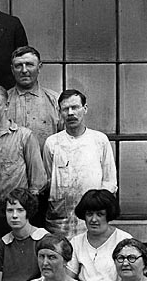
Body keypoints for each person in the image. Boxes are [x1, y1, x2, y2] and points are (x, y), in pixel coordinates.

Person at [0, 84, 48, 247]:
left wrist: (25, 213)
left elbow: (38, 182)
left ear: (6, 106)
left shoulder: (24, 137)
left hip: (16, 214)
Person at [43, 89, 118, 238]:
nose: (70, 113)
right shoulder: (52, 143)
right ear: (60, 112)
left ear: (85, 109)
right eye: (65, 109)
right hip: (61, 221)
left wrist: (98, 208)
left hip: (91, 220)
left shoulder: (99, 140)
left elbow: (109, 182)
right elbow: (49, 181)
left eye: (75, 107)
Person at [67, 189, 132, 281]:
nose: (93, 219)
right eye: (89, 214)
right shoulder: (77, 242)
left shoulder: (124, 240)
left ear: (108, 215)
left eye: (100, 214)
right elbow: (68, 278)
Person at [0, 188, 48, 281]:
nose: (14, 215)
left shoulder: (43, 239)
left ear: (28, 211)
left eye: (20, 210)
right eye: (10, 210)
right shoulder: (4, 243)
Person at [6, 46, 61, 152]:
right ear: (12, 69)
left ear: (39, 67)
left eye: (29, 65)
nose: (24, 70)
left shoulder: (55, 100)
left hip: (45, 161)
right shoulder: (3, 101)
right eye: (18, 66)